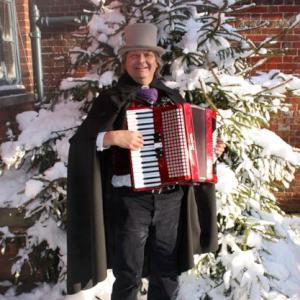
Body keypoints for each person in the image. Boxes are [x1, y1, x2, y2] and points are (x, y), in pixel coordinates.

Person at [67, 23, 225, 300]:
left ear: (156, 61)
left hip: (170, 201)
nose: (141, 62)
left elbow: (189, 146)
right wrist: (112, 137)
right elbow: (80, 144)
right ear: (125, 61)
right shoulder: (111, 99)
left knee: (166, 273)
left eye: (147, 56)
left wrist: (210, 150)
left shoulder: (171, 97)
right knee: (128, 273)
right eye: (134, 56)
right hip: (130, 201)